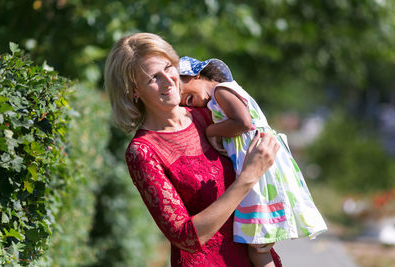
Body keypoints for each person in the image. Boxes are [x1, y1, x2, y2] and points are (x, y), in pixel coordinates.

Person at [104, 32, 283, 267]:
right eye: (153, 78)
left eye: (169, 67)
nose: (169, 80)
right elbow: (184, 237)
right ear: (133, 91)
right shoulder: (143, 151)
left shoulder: (208, 114)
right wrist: (248, 178)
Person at [179, 56, 328, 266]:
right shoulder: (217, 98)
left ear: (195, 74)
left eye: (184, 93)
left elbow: (243, 122)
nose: (186, 101)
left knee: (259, 244)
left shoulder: (221, 90)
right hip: (258, 166)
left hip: (260, 168)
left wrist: (212, 130)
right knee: (258, 245)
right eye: (185, 102)